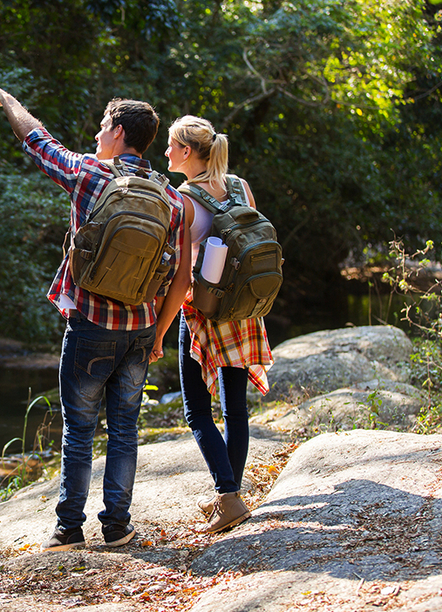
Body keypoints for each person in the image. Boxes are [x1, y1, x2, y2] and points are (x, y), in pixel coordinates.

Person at [0, 76, 191, 551]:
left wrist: (9, 100)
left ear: (117, 131)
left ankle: (68, 529)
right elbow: (178, 276)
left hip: (91, 325)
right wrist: (159, 332)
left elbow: (37, 140)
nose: (96, 137)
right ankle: (116, 526)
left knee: (79, 431)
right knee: (125, 430)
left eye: (101, 127)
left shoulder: (90, 176)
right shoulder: (172, 199)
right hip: (139, 329)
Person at [151, 114, 274, 534]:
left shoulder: (184, 199)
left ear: (187, 151)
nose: (165, 152)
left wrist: (160, 327)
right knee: (235, 409)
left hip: (203, 314)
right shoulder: (239, 185)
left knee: (196, 411)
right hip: (244, 310)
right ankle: (232, 494)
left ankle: (227, 496)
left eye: (170, 145)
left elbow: (183, 275)